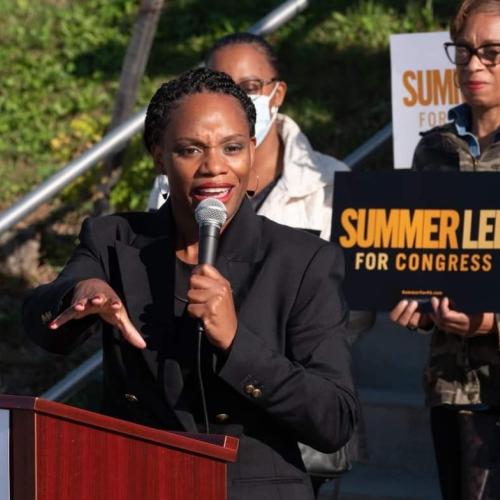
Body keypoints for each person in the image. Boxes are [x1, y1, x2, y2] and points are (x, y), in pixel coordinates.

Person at [23, 67, 358, 500]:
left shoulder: (302, 261)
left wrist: (237, 344)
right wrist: (79, 293)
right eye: (190, 149)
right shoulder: (114, 241)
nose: (214, 167)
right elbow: (38, 319)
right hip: (137, 483)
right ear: (160, 157)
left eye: (232, 148)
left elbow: (334, 421)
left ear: (252, 153)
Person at [390, 1, 500, 498]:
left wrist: (493, 322)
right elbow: (422, 257)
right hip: (451, 388)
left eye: (492, 53)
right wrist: (416, 302)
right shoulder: (431, 149)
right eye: (464, 51)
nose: (474, 65)